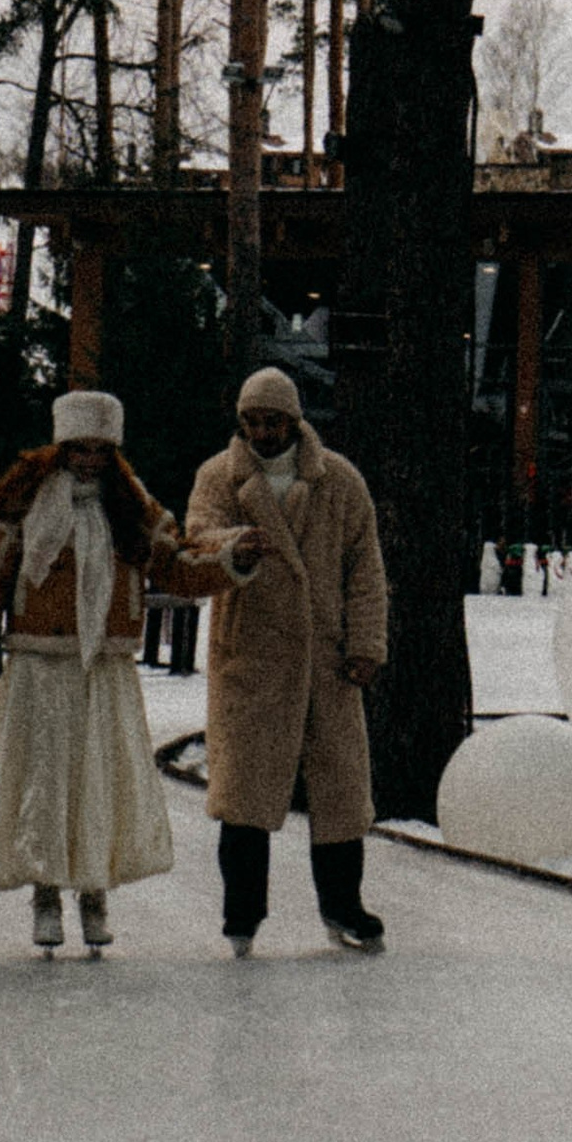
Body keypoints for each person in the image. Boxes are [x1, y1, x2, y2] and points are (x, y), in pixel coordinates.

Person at [0, 389, 254, 953]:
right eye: (79, 448)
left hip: (104, 666)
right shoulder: (24, 503)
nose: (88, 459)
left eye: (99, 449)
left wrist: (231, 559)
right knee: (43, 781)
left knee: (95, 783)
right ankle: (44, 892)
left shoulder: (132, 509)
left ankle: (92, 894)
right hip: (40, 666)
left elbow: (178, 566)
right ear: (62, 446)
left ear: (112, 450)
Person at [185, 365, 388, 956]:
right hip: (251, 656)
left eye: (272, 421)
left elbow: (365, 569)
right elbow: (197, 539)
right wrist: (233, 550)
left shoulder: (340, 481)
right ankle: (242, 916)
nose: (262, 432)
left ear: (294, 420)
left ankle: (343, 905)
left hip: (326, 659)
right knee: (245, 794)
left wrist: (366, 646)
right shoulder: (219, 476)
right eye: (252, 421)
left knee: (340, 793)